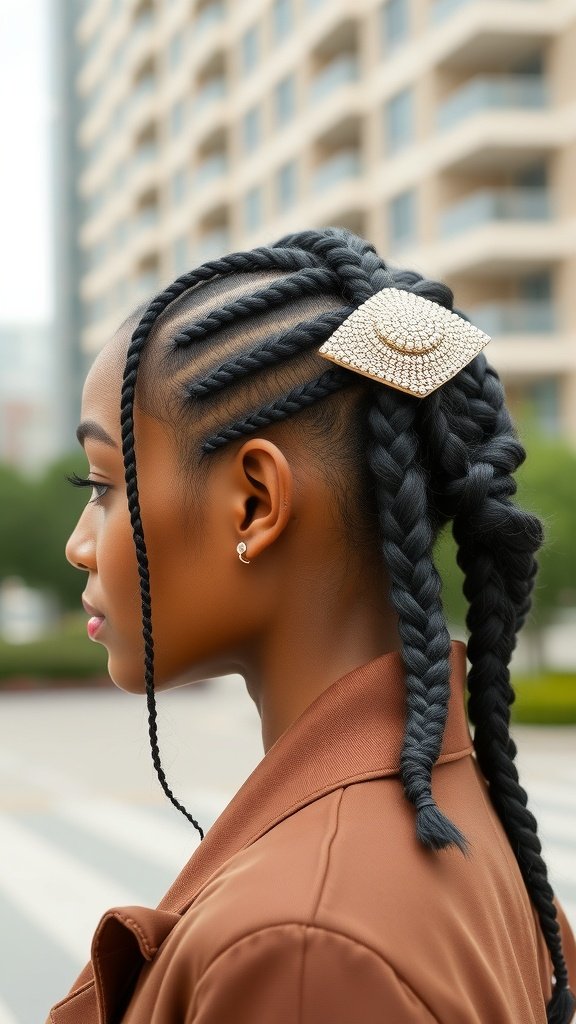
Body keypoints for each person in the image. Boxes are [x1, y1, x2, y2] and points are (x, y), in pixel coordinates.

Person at [49, 226, 575, 1023]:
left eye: (103, 484)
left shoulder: (299, 948)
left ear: (255, 503)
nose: (79, 546)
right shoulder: (451, 798)